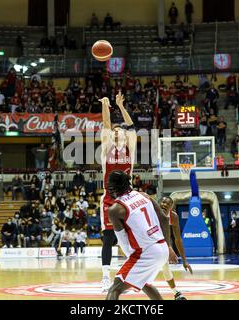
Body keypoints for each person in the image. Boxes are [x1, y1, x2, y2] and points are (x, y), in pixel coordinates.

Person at [105, 171, 177, 300]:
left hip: (145, 253)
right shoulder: (143, 195)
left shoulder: (115, 209)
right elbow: (164, 219)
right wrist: (168, 247)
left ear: (113, 188)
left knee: (114, 289)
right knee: (145, 284)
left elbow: (123, 240)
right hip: (162, 248)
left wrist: (132, 258)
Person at [99, 91, 137, 291]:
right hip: (109, 199)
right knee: (108, 237)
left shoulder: (130, 147)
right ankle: (105, 277)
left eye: (119, 130)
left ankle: (130, 275)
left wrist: (120, 107)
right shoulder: (107, 148)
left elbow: (131, 126)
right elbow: (106, 126)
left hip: (129, 198)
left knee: (130, 238)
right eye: (114, 130)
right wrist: (105, 105)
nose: (116, 131)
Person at [159, 196, 193, 300]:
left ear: (171, 207)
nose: (165, 204)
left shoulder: (173, 217)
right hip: (145, 239)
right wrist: (168, 247)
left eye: (168, 204)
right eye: (163, 202)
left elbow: (178, 239)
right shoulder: (153, 211)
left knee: (165, 266)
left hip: (159, 242)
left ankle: (176, 293)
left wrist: (184, 260)